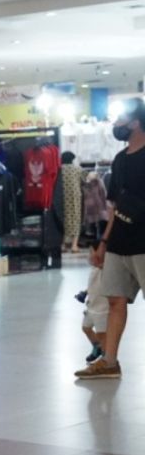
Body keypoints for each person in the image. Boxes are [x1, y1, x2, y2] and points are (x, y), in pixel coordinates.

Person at [78, 97, 145, 380]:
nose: (116, 125)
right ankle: (109, 361)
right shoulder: (119, 159)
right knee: (115, 300)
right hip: (119, 241)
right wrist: (104, 243)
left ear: (135, 122)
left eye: (120, 120)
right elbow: (113, 205)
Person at [78, 261, 109, 365]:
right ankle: (97, 347)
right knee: (86, 328)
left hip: (102, 308)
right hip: (91, 305)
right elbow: (92, 284)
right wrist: (85, 293)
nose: (91, 257)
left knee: (102, 334)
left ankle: (106, 358)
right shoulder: (94, 269)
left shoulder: (108, 270)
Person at [61, 150, 84, 252]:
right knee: (75, 219)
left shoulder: (59, 169)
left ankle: (62, 244)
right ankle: (74, 245)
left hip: (62, 198)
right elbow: (86, 179)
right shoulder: (77, 169)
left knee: (62, 219)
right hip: (75, 198)